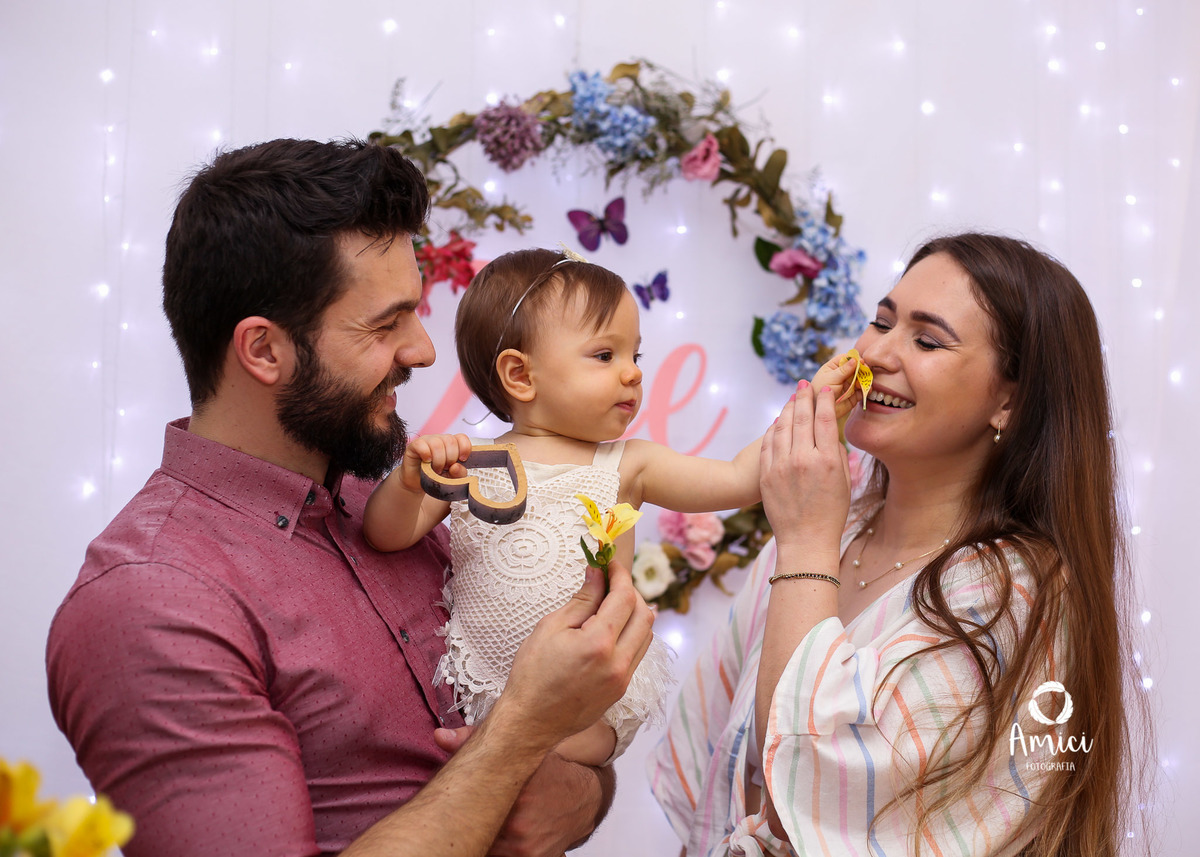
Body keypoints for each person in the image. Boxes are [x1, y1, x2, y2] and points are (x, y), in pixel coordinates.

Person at [45, 138, 656, 857]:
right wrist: (518, 735)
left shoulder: (404, 494)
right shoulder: (151, 600)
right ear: (264, 350)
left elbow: (558, 765)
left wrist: (582, 794)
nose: (424, 350)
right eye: (385, 323)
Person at [648, 233, 1149, 855]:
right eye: (879, 322)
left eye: (926, 339)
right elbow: (708, 763)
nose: (876, 354)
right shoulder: (834, 529)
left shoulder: (1016, 594)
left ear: (1009, 402)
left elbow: (802, 806)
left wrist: (806, 541)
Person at [363, 249, 861, 767]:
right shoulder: (476, 465)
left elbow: (739, 479)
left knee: (576, 748)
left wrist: (812, 404)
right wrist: (407, 484)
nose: (632, 375)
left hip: (588, 694)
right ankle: (493, 757)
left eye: (635, 357)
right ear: (520, 376)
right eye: (606, 356)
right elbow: (385, 534)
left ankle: (511, 758)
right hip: (482, 689)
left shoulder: (628, 465)